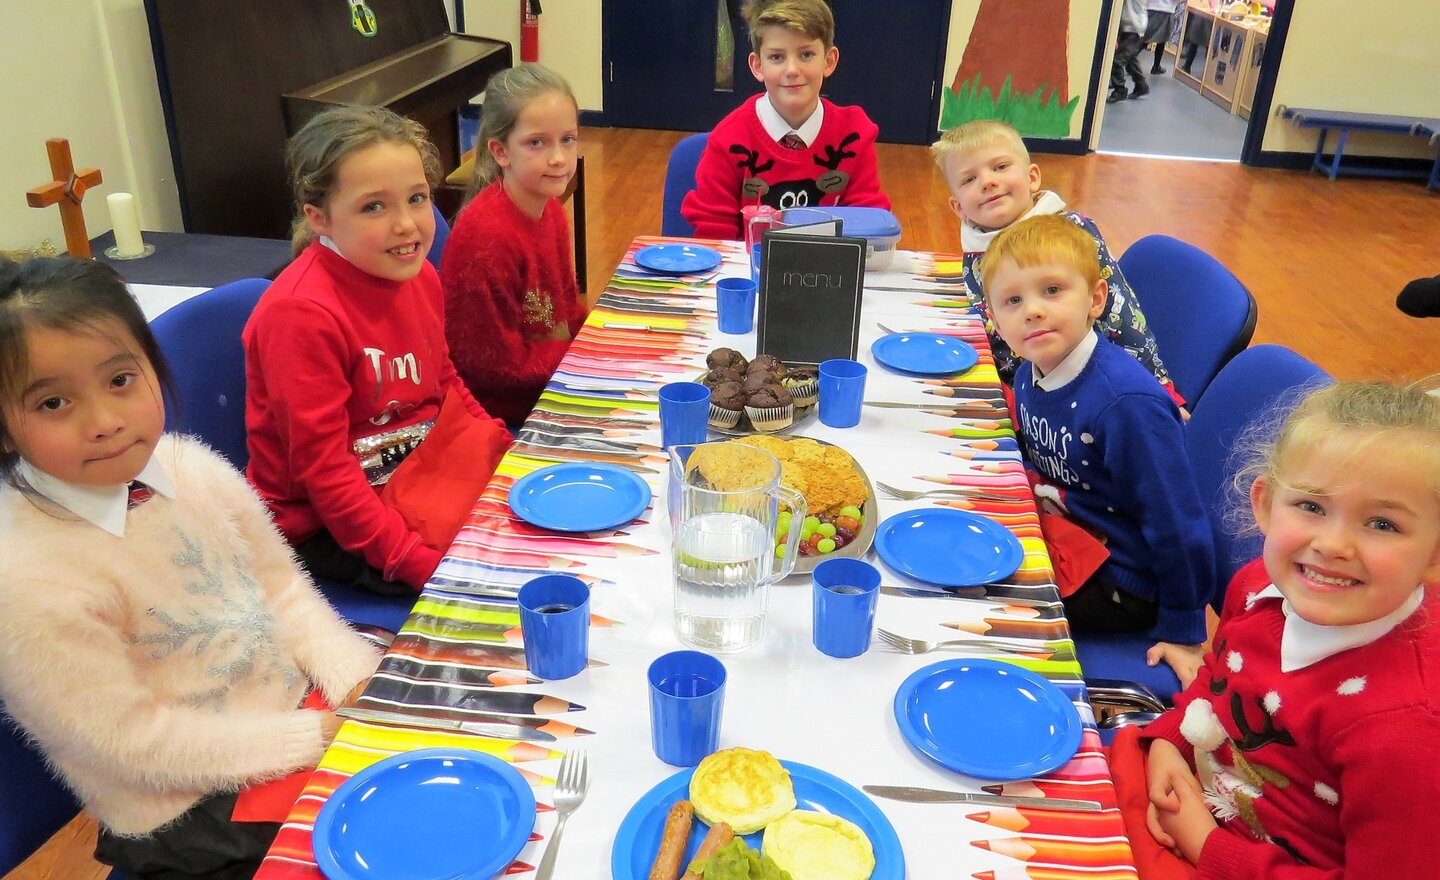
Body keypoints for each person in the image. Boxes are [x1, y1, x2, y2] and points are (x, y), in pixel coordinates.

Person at [0, 256, 380, 880]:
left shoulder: (188, 466)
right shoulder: (28, 580)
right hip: (187, 809)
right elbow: (128, 743)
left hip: (295, 719)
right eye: (54, 402)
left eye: (121, 379)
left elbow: (281, 587)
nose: (105, 421)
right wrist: (309, 740)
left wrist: (349, 676)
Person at [1135, 379, 1440, 877]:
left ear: (1435, 551)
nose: (1334, 544)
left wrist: (1207, 847)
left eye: (1383, 524)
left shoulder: (1409, 732)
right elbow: (1219, 678)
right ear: (1265, 504)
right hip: (1200, 796)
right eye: (1312, 506)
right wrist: (1171, 740)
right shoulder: (1260, 584)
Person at [245, 106, 509, 597]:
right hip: (332, 528)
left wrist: (502, 450)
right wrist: (420, 566)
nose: (407, 225)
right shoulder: (300, 314)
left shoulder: (420, 277)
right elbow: (326, 476)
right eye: (374, 207)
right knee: (499, 590)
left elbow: (445, 384)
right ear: (318, 217)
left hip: (421, 476)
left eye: (416, 198)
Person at [981, 215, 1214, 685]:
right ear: (993, 319)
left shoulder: (1125, 406)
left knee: (980, 596)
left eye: (1052, 291)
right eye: (1013, 300)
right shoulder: (1033, 368)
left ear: (1096, 299)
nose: (1033, 311)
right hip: (1071, 531)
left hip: (1122, 577)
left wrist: (1185, 629)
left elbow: (1177, 521)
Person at [931, 119, 1178, 404]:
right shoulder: (976, 252)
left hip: (1096, 394)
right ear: (958, 207)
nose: (987, 182)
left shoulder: (1072, 234)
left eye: (1000, 167)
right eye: (969, 179)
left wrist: (1156, 388)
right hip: (1024, 396)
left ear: (1032, 177)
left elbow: (1120, 316)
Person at [443, 63, 588, 428]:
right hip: (504, 417)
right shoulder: (488, 237)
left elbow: (565, 309)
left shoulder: (550, 209)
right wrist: (579, 356)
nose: (558, 158)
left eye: (567, 139)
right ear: (501, 152)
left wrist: (599, 338)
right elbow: (493, 370)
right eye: (536, 142)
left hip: (549, 385)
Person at [680, 0, 891, 241]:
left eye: (806, 54)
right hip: (750, 273)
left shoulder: (854, 134)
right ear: (757, 66)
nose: (792, 69)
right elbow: (715, 237)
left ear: (829, 61)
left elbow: (869, 225)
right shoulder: (729, 140)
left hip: (828, 272)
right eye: (777, 57)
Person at [1110, 0, 1150, 102]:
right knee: (1130, 59)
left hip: (1132, 25)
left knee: (1117, 61)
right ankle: (1141, 85)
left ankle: (1120, 89)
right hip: (1133, 24)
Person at [1144, 0, 1182, 74]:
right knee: (1159, 39)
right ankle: (1128, 60)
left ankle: (1156, 65)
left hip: (1151, 7)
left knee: (1147, 37)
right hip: (1164, 10)